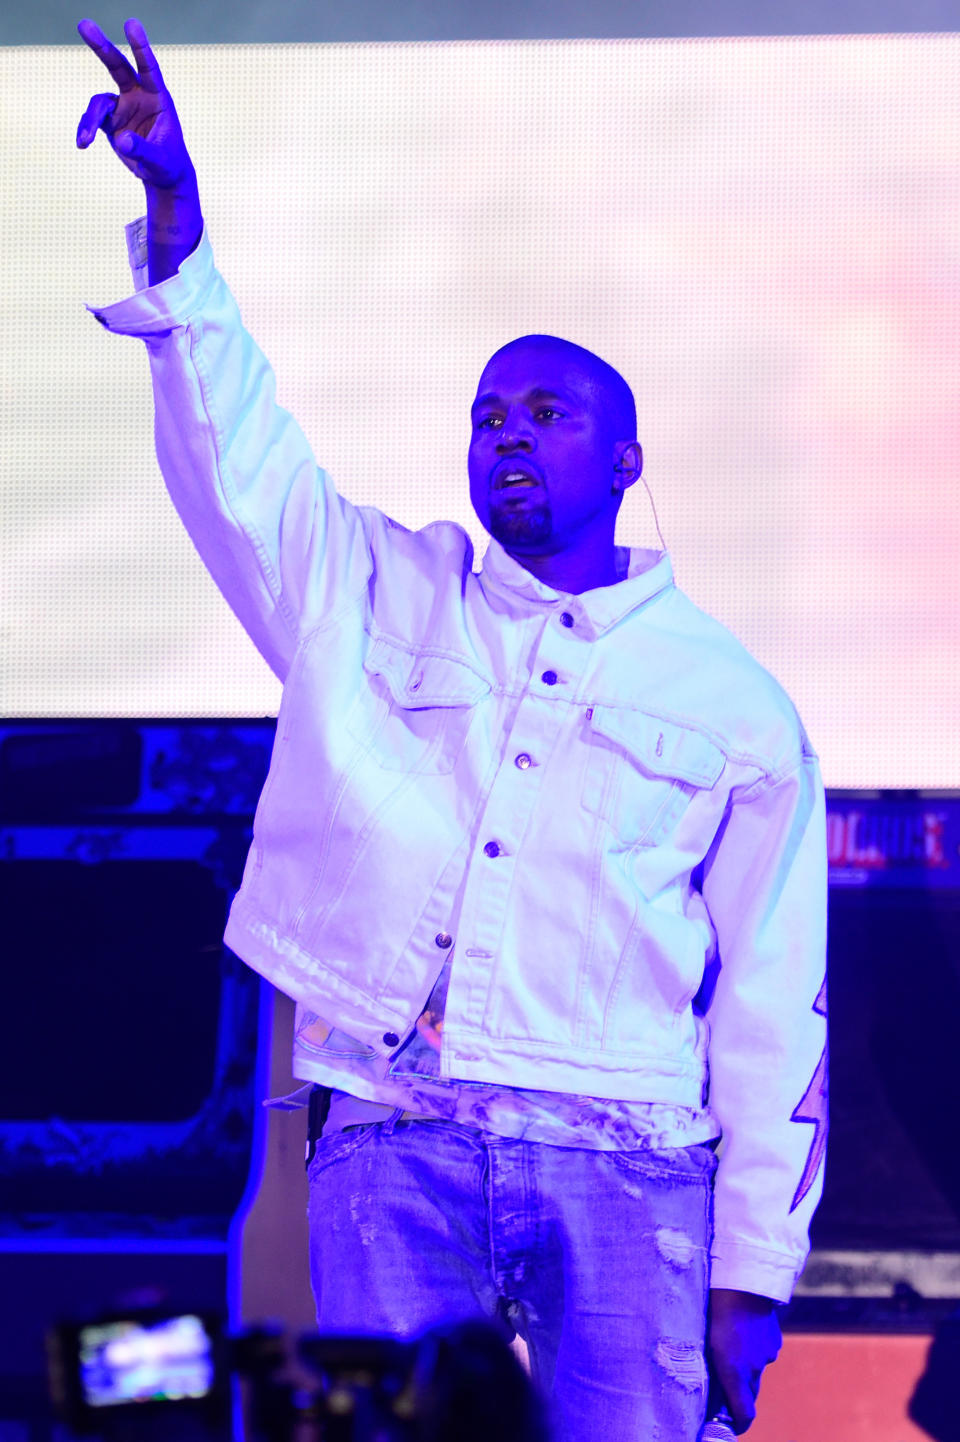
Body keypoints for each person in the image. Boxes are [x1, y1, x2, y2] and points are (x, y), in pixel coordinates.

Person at [77, 19, 828, 1441]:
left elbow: (775, 1003)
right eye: (488, 412)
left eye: (547, 411)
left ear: (626, 459)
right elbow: (244, 458)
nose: (507, 433)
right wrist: (179, 226)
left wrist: (756, 1269)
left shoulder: (731, 704)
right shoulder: (375, 589)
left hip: (632, 1163)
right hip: (397, 1139)